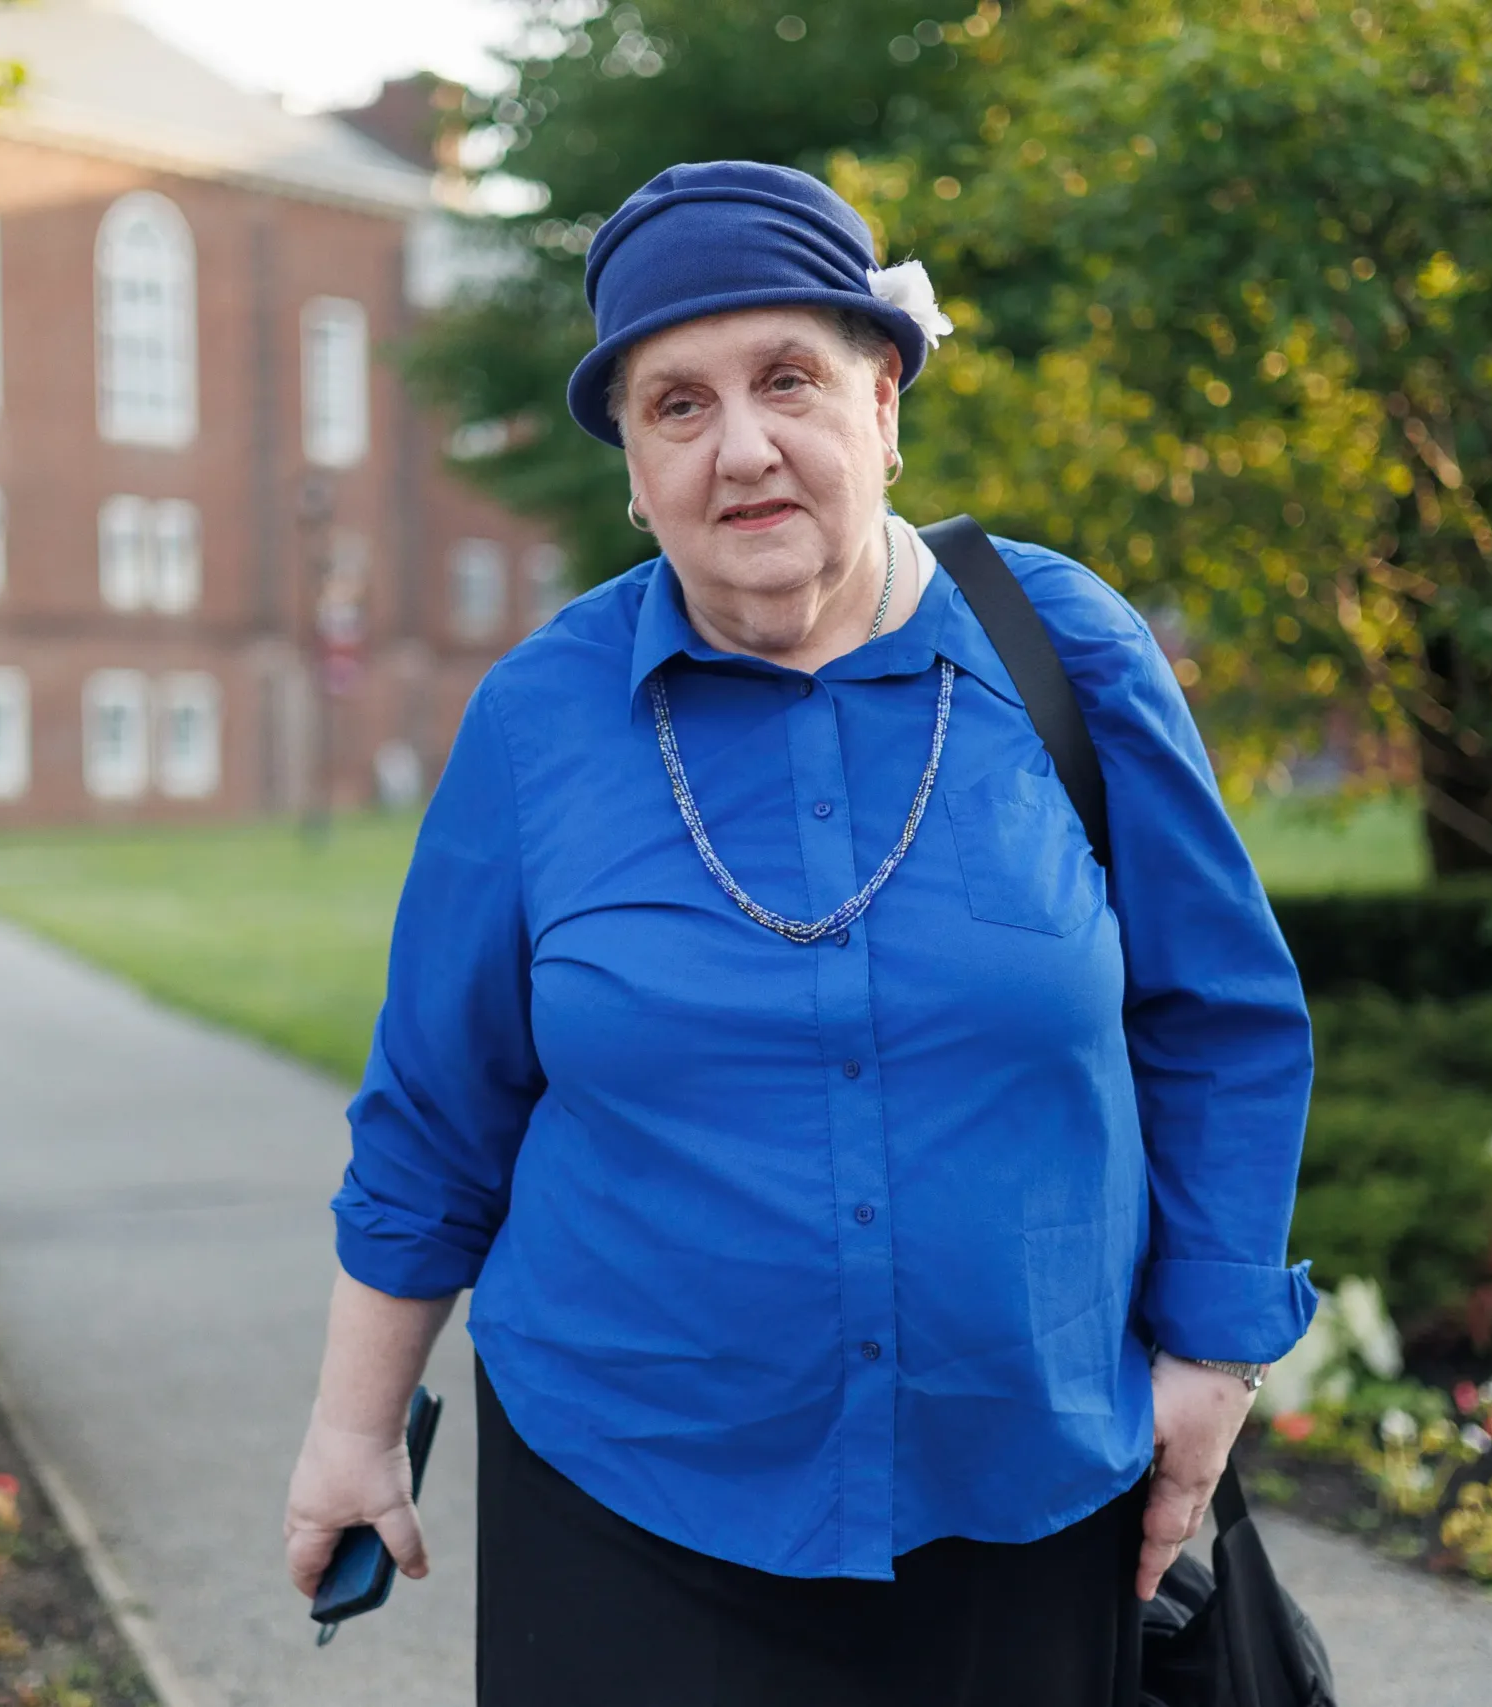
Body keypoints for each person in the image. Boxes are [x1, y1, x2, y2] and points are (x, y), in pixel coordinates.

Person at [282, 160, 1316, 1706]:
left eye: (789, 380)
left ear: (884, 401)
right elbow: (438, 1110)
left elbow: (1220, 1015)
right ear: (631, 465)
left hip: (1028, 1478)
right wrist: (352, 1434)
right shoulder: (540, 720)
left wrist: (1214, 1357)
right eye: (677, 405)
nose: (744, 447)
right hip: (632, 1495)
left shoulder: (1064, 649)